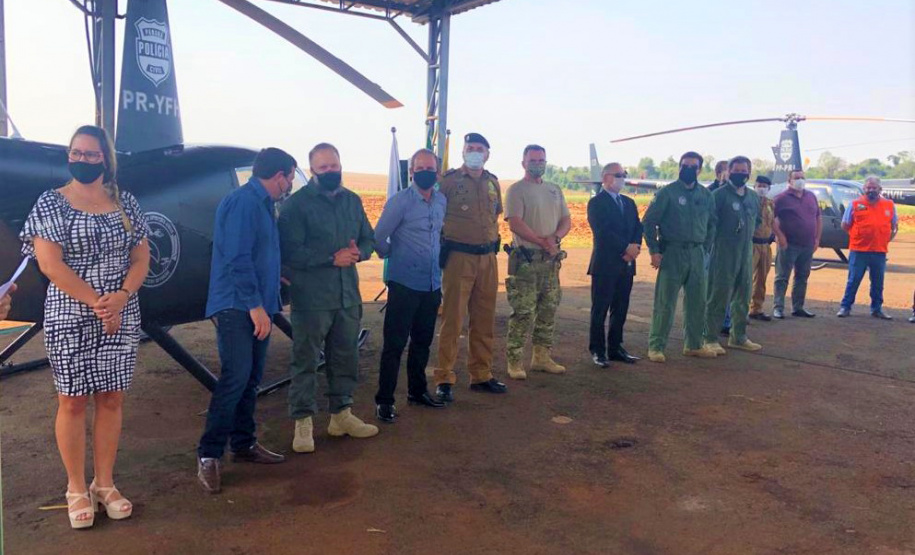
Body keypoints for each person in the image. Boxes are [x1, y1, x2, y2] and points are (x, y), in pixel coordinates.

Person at [20, 125, 150, 529]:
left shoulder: (125, 203)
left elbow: (141, 258)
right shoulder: (51, 203)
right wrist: (98, 301)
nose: (83, 160)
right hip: (71, 314)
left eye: (92, 154)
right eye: (76, 152)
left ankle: (104, 483)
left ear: (105, 159)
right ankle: (76, 487)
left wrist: (122, 297)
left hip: (120, 313)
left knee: (111, 398)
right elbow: (49, 264)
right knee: (72, 400)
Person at [196, 148, 293, 494]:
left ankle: (243, 443)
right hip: (238, 306)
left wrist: (273, 276)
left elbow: (254, 253)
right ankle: (209, 454)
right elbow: (236, 258)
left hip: (255, 304)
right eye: (290, 178)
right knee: (235, 378)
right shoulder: (244, 203)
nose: (289, 185)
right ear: (279, 176)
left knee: (250, 378)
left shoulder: (261, 204)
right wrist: (255, 305)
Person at [279, 143, 378, 454]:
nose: (330, 171)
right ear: (312, 171)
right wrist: (330, 258)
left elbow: (368, 239)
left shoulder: (352, 201)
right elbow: (289, 251)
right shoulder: (296, 206)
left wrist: (359, 252)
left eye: (334, 166)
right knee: (306, 360)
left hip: (347, 296)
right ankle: (303, 421)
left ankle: (341, 415)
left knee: (345, 357)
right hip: (312, 298)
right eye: (324, 168)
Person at [372, 149, 447, 423]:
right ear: (411, 171)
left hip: (431, 284)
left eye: (431, 168)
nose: (426, 172)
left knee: (422, 342)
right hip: (404, 284)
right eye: (420, 168)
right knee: (394, 344)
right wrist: (393, 255)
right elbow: (379, 237)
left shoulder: (441, 200)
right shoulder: (400, 202)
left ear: (437, 172)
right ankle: (385, 400)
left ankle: (417, 391)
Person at [434, 133, 507, 401]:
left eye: (479, 149)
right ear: (463, 152)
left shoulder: (492, 182)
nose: (475, 152)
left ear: (487, 154)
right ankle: (444, 378)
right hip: (458, 257)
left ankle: (481, 374)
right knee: (452, 320)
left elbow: (495, 214)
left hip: (488, 258)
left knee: (484, 319)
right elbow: (436, 214)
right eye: (470, 148)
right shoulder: (449, 181)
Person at [642, 151, 718, 363]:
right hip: (673, 252)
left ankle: (694, 344)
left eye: (693, 167)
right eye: (685, 166)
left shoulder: (706, 195)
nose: (688, 170)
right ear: (679, 167)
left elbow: (712, 223)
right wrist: (654, 250)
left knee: (698, 302)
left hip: (697, 253)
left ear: (699, 170)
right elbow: (649, 222)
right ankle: (656, 346)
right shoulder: (667, 193)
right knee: (665, 302)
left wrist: (705, 248)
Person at [503, 145, 571, 379]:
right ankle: (514, 361)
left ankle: (541, 357)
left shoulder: (554, 190)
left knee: (548, 309)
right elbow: (515, 223)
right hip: (527, 261)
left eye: (541, 160)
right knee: (523, 312)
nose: (537, 164)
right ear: (523, 163)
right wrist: (542, 241)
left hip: (550, 261)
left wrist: (555, 238)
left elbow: (566, 219)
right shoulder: (516, 190)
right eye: (533, 160)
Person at [703, 156, 763, 355]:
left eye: (744, 171)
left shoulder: (753, 197)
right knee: (718, 296)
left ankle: (738, 336)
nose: (740, 174)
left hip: (745, 252)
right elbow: (709, 223)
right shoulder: (718, 196)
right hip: (723, 252)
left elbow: (757, 220)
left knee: (743, 296)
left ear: (749, 172)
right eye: (736, 171)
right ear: (728, 172)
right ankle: (710, 337)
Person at [587, 163, 643, 367]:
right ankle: (597, 350)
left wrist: (634, 248)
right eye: (618, 175)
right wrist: (625, 248)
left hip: (626, 264)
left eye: (624, 174)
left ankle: (615, 347)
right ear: (605, 178)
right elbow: (602, 232)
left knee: (620, 308)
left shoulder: (628, 202)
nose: (622, 178)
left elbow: (638, 227)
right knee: (600, 309)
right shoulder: (596, 203)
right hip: (605, 265)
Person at [837, 176, 898, 319]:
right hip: (859, 250)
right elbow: (845, 225)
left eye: (874, 188)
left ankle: (876, 309)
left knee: (878, 282)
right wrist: (857, 235)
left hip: (879, 251)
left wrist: (883, 238)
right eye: (868, 188)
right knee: (853, 280)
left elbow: (894, 226)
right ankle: (845, 307)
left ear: (880, 189)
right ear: (864, 189)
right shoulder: (855, 204)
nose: (871, 190)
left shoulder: (889, 205)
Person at [772, 169, 821, 319]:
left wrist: (817, 239)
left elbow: (818, 218)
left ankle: (798, 307)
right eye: (797, 178)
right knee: (782, 277)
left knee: (802, 276)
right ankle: (778, 308)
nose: (800, 180)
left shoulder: (811, 196)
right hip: (788, 244)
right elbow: (770, 219)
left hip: (807, 244)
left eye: (802, 177)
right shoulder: (781, 199)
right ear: (790, 181)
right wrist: (780, 236)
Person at [749, 176, 776, 321]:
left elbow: (772, 222)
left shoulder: (770, 204)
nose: (762, 188)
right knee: (747, 278)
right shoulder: (749, 202)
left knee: (761, 279)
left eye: (765, 186)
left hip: (766, 245)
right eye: (759, 185)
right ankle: (741, 310)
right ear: (754, 186)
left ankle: (756, 309)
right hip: (752, 244)